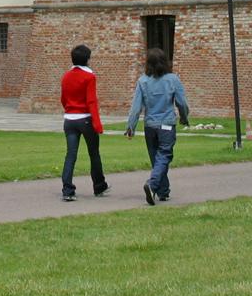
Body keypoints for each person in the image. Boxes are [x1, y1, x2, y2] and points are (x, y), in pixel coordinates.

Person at [124, 46, 189, 205]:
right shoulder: (173, 79)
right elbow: (182, 103)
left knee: (157, 159)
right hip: (166, 124)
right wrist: (184, 117)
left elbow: (136, 108)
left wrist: (130, 127)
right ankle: (152, 185)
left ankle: (163, 191)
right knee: (165, 156)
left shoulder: (142, 81)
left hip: (150, 126)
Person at [59, 44, 108, 202]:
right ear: (87, 59)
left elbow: (63, 99)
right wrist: (98, 125)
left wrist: (69, 110)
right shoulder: (90, 77)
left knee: (70, 155)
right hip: (85, 118)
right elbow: (91, 101)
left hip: (69, 119)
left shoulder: (66, 76)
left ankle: (67, 189)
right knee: (94, 153)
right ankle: (99, 185)